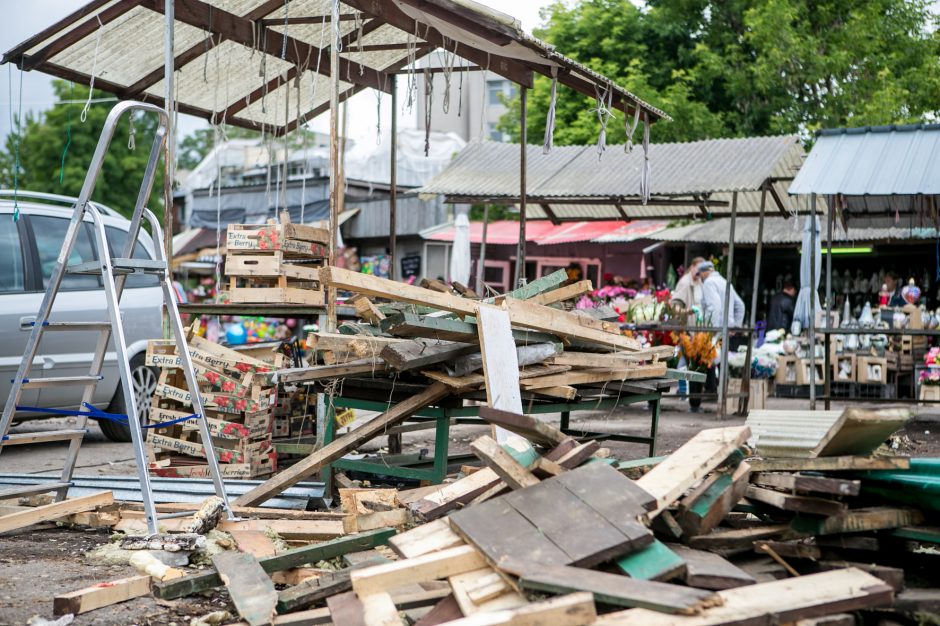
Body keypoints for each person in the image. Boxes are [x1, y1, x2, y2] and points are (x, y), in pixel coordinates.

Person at [698, 261, 745, 328]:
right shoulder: (725, 282)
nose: (700, 277)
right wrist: (736, 326)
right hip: (728, 328)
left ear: (702, 273)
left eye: (699, 274)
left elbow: (715, 306)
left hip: (716, 329)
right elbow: (740, 305)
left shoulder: (708, 283)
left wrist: (713, 330)